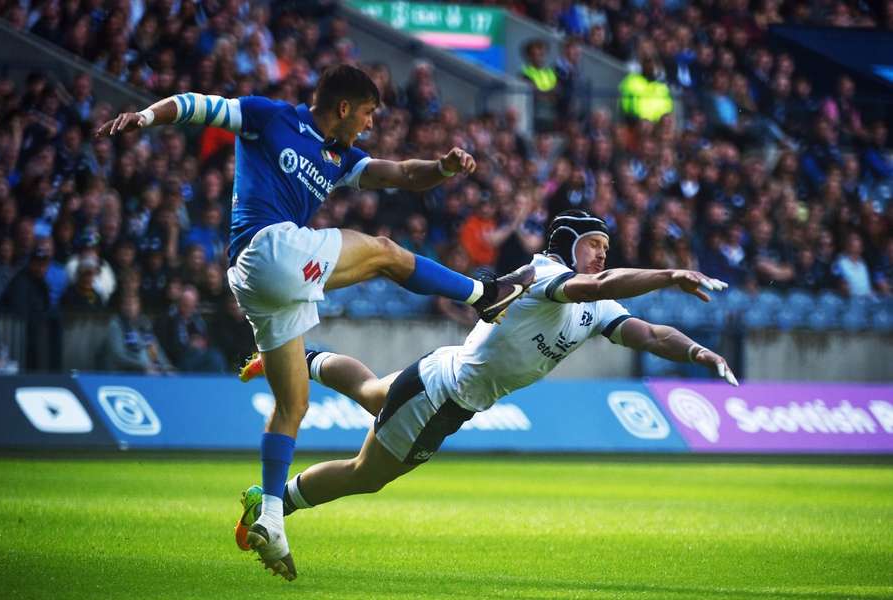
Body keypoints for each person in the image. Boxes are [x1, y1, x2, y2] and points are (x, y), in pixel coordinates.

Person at [96, 63, 534, 580]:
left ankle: (273, 520)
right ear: (344, 107)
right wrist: (147, 116)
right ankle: (485, 294)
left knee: (292, 403)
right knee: (386, 252)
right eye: (368, 113)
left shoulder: (339, 155)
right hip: (268, 249)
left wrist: (441, 167)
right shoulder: (271, 116)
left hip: (259, 282)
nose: (370, 125)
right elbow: (197, 103)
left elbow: (400, 174)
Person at [235, 210, 738, 572]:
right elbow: (599, 284)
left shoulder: (600, 308)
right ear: (567, 246)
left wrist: (699, 353)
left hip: (445, 374)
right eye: (593, 244)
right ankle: (273, 502)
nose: (602, 251)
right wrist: (669, 274)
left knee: (370, 392)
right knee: (365, 475)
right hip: (444, 398)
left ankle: (299, 360)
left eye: (606, 246)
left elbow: (648, 334)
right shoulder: (548, 275)